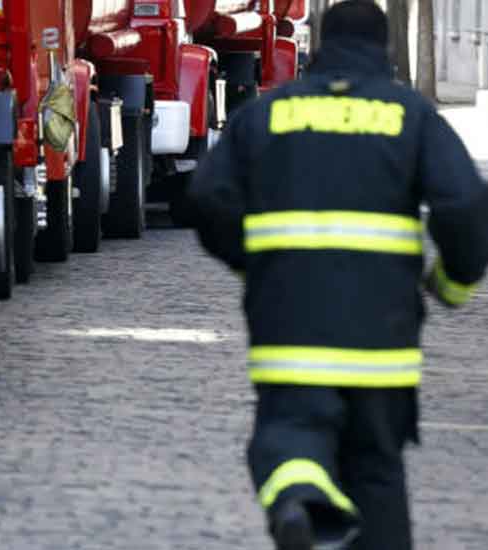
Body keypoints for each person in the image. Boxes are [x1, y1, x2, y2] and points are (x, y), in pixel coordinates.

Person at [186, 1, 488, 549]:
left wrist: (254, 262)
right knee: (376, 468)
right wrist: (454, 283)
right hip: (382, 347)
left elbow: (207, 197)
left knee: (289, 437)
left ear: (322, 45)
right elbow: (466, 203)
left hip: (290, 335)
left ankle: (300, 499)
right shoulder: (409, 115)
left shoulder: (268, 113)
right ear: (386, 51)